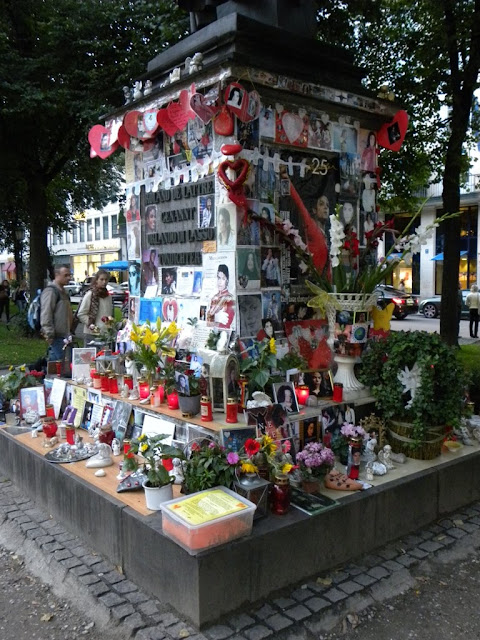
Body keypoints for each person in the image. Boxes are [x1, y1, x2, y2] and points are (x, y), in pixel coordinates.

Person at [40, 264, 73, 363]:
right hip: (56, 337)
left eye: (69, 275)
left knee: (65, 367)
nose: (69, 278)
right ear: (57, 275)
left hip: (65, 336)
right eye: (65, 275)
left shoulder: (63, 292)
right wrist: (49, 334)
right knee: (58, 368)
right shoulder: (51, 291)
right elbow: (46, 314)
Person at [77, 269, 113, 346]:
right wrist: (92, 325)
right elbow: (81, 314)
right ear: (96, 280)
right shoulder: (90, 295)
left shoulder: (109, 297)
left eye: (106, 280)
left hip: (106, 334)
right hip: (91, 334)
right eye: (101, 279)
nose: (104, 282)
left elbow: (110, 315)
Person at [206, 264, 235, 329]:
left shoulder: (230, 299)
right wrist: (216, 318)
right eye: (218, 278)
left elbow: (226, 324)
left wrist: (212, 319)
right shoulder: (214, 298)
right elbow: (207, 322)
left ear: (227, 280)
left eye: (223, 279)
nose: (220, 282)